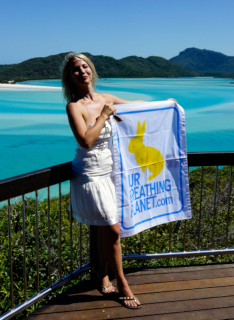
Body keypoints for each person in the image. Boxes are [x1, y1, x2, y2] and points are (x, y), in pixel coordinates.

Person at [62, 52, 176, 309]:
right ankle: (123, 285)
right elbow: (85, 141)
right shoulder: (74, 107)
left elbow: (135, 107)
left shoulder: (106, 98)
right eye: (75, 70)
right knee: (113, 230)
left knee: (105, 229)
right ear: (70, 77)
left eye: (84, 67)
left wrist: (163, 104)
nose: (82, 72)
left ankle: (103, 276)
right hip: (90, 175)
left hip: (111, 172)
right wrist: (103, 116)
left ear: (91, 70)